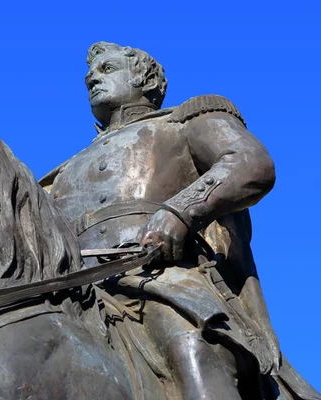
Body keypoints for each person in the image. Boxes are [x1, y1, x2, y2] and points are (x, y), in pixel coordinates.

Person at [40, 41, 319, 399]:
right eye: (89, 75)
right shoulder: (59, 174)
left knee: (189, 345)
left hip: (159, 278)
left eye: (107, 69)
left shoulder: (183, 121)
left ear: (147, 79)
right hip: (80, 291)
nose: (92, 78)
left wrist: (180, 212)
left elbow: (250, 163)